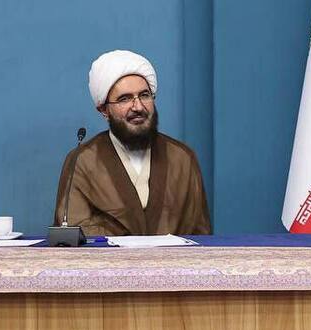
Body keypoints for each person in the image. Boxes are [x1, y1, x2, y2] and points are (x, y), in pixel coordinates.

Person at [53, 50, 211, 236]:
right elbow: (72, 232)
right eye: (125, 99)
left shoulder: (182, 158)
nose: (138, 107)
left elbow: (201, 235)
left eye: (144, 95)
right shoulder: (82, 161)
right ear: (104, 110)